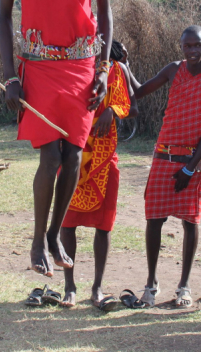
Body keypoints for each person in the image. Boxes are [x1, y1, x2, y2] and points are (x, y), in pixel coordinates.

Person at [0, 0, 112, 277]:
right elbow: (3, 16)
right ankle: (36, 241)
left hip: (81, 68)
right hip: (39, 68)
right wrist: (11, 76)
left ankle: (53, 236)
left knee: (74, 155)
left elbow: (105, 15)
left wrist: (103, 70)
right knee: (49, 158)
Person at [125, 26, 201, 309]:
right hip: (164, 155)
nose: (192, 51)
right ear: (181, 47)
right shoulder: (173, 70)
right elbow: (140, 91)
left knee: (191, 222)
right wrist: (125, 65)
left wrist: (190, 168)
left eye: (198, 46)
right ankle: (151, 283)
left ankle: (183, 287)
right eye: (187, 46)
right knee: (154, 220)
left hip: (194, 161)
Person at [58, 40, 138, 310]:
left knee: (104, 226)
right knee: (67, 222)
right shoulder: (71, 67)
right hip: (73, 152)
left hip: (104, 155)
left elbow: (128, 105)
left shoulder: (116, 69)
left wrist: (113, 111)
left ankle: (97, 287)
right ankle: (69, 286)